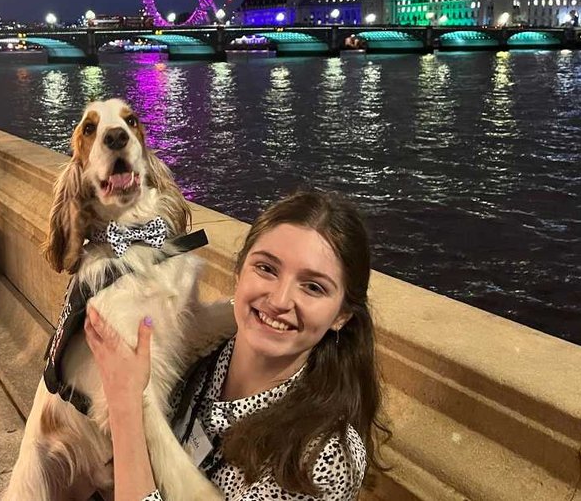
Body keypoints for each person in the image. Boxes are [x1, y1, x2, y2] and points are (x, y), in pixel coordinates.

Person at [84, 190, 388, 501]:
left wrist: (125, 406)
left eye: (312, 287)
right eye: (267, 268)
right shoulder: (203, 357)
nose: (280, 300)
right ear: (240, 271)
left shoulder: (324, 458)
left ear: (341, 316)